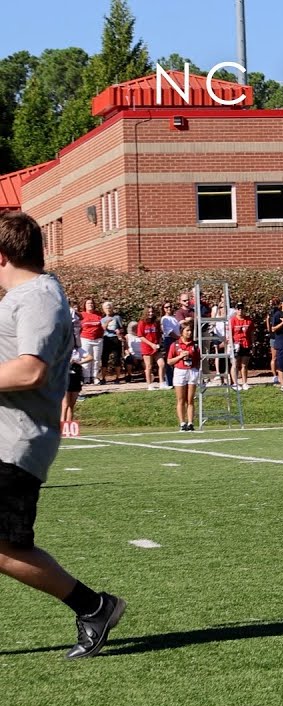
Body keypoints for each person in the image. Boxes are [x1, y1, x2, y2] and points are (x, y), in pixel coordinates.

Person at [0, 213, 125, 659]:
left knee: (6, 549)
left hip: (13, 443)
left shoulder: (37, 298)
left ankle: (94, 605)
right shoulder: (23, 296)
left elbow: (30, 369)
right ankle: (94, 605)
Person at [167, 319, 200, 432]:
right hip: (180, 371)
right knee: (181, 399)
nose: (189, 333)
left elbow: (198, 359)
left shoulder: (194, 345)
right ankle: (182, 422)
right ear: (182, 332)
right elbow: (169, 361)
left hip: (191, 371)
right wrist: (180, 357)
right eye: (187, 331)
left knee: (190, 399)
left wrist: (196, 369)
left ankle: (190, 422)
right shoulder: (175, 345)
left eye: (190, 331)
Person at [230, 302, 254, 391]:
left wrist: (253, 344)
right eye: (238, 309)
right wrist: (231, 344)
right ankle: (235, 383)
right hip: (236, 344)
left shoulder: (248, 320)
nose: (240, 310)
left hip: (246, 344)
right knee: (235, 364)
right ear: (236, 310)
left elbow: (251, 333)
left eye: (242, 309)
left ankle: (244, 382)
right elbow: (230, 333)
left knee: (244, 364)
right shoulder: (233, 320)